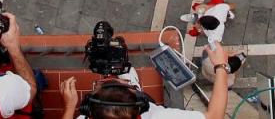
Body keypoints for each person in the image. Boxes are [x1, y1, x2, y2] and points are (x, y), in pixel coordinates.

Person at [58, 42, 236, 119]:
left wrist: (69, 106)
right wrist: (221, 66)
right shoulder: (158, 116)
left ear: (89, 113)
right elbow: (214, 115)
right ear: (140, 106)